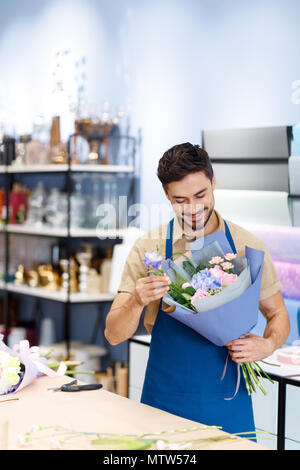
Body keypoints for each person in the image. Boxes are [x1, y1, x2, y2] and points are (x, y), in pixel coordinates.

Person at [104, 142, 290, 435]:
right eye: (180, 199)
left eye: (200, 194)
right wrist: (136, 301)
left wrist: (267, 344)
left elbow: (278, 313)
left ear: (214, 181)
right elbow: (113, 335)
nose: (192, 208)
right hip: (163, 401)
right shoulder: (148, 248)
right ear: (166, 195)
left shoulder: (248, 245)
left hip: (229, 399)